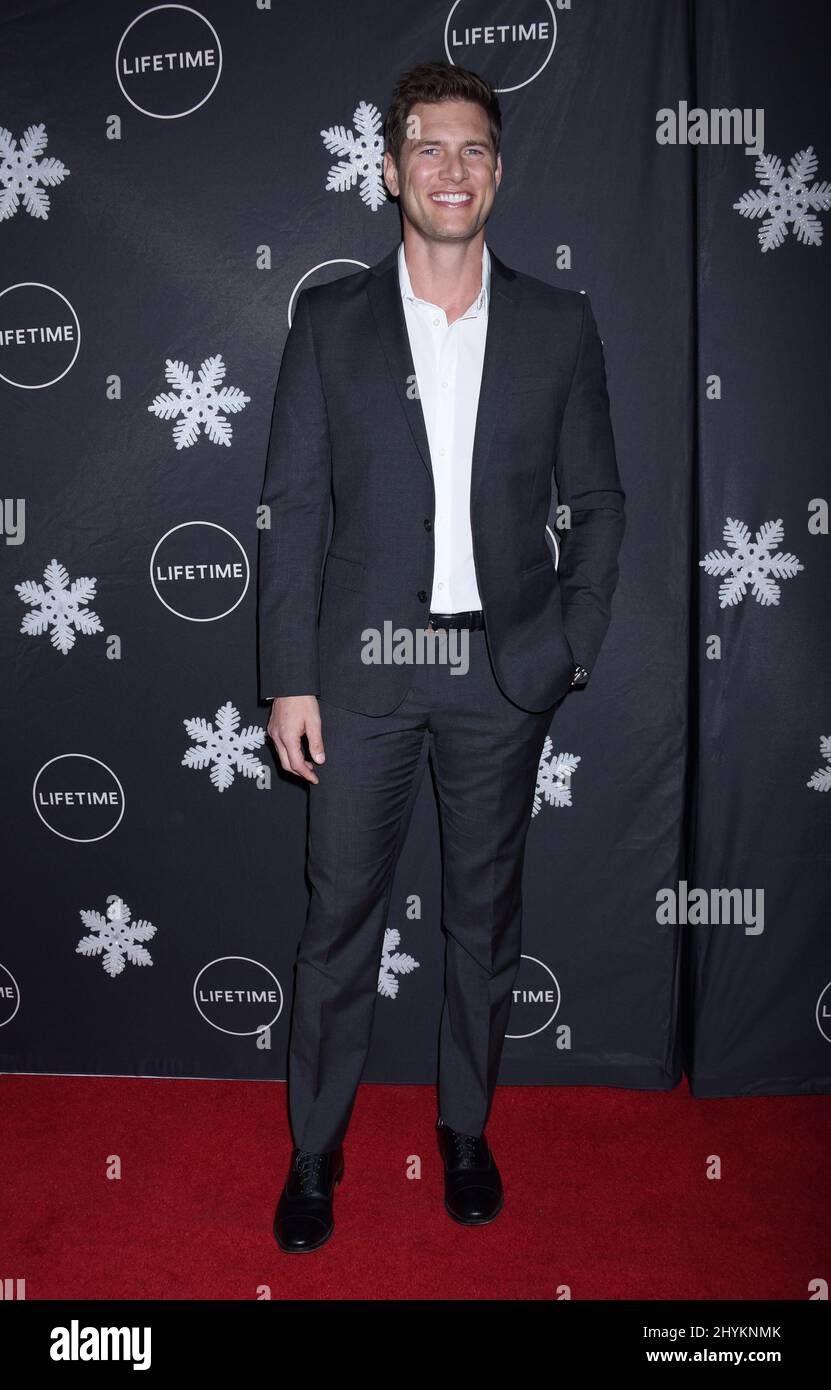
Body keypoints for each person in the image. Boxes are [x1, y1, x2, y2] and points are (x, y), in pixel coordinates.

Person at [257, 59, 625, 1253]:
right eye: (428, 148)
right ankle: (317, 1150)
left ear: (499, 171)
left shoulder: (561, 324)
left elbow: (602, 502)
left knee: (485, 917)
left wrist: (569, 642)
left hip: (501, 674)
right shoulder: (329, 322)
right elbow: (294, 507)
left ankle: (465, 1126)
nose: (451, 169)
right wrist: (289, 678)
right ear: (391, 169)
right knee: (336, 923)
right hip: (361, 671)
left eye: (473, 149)